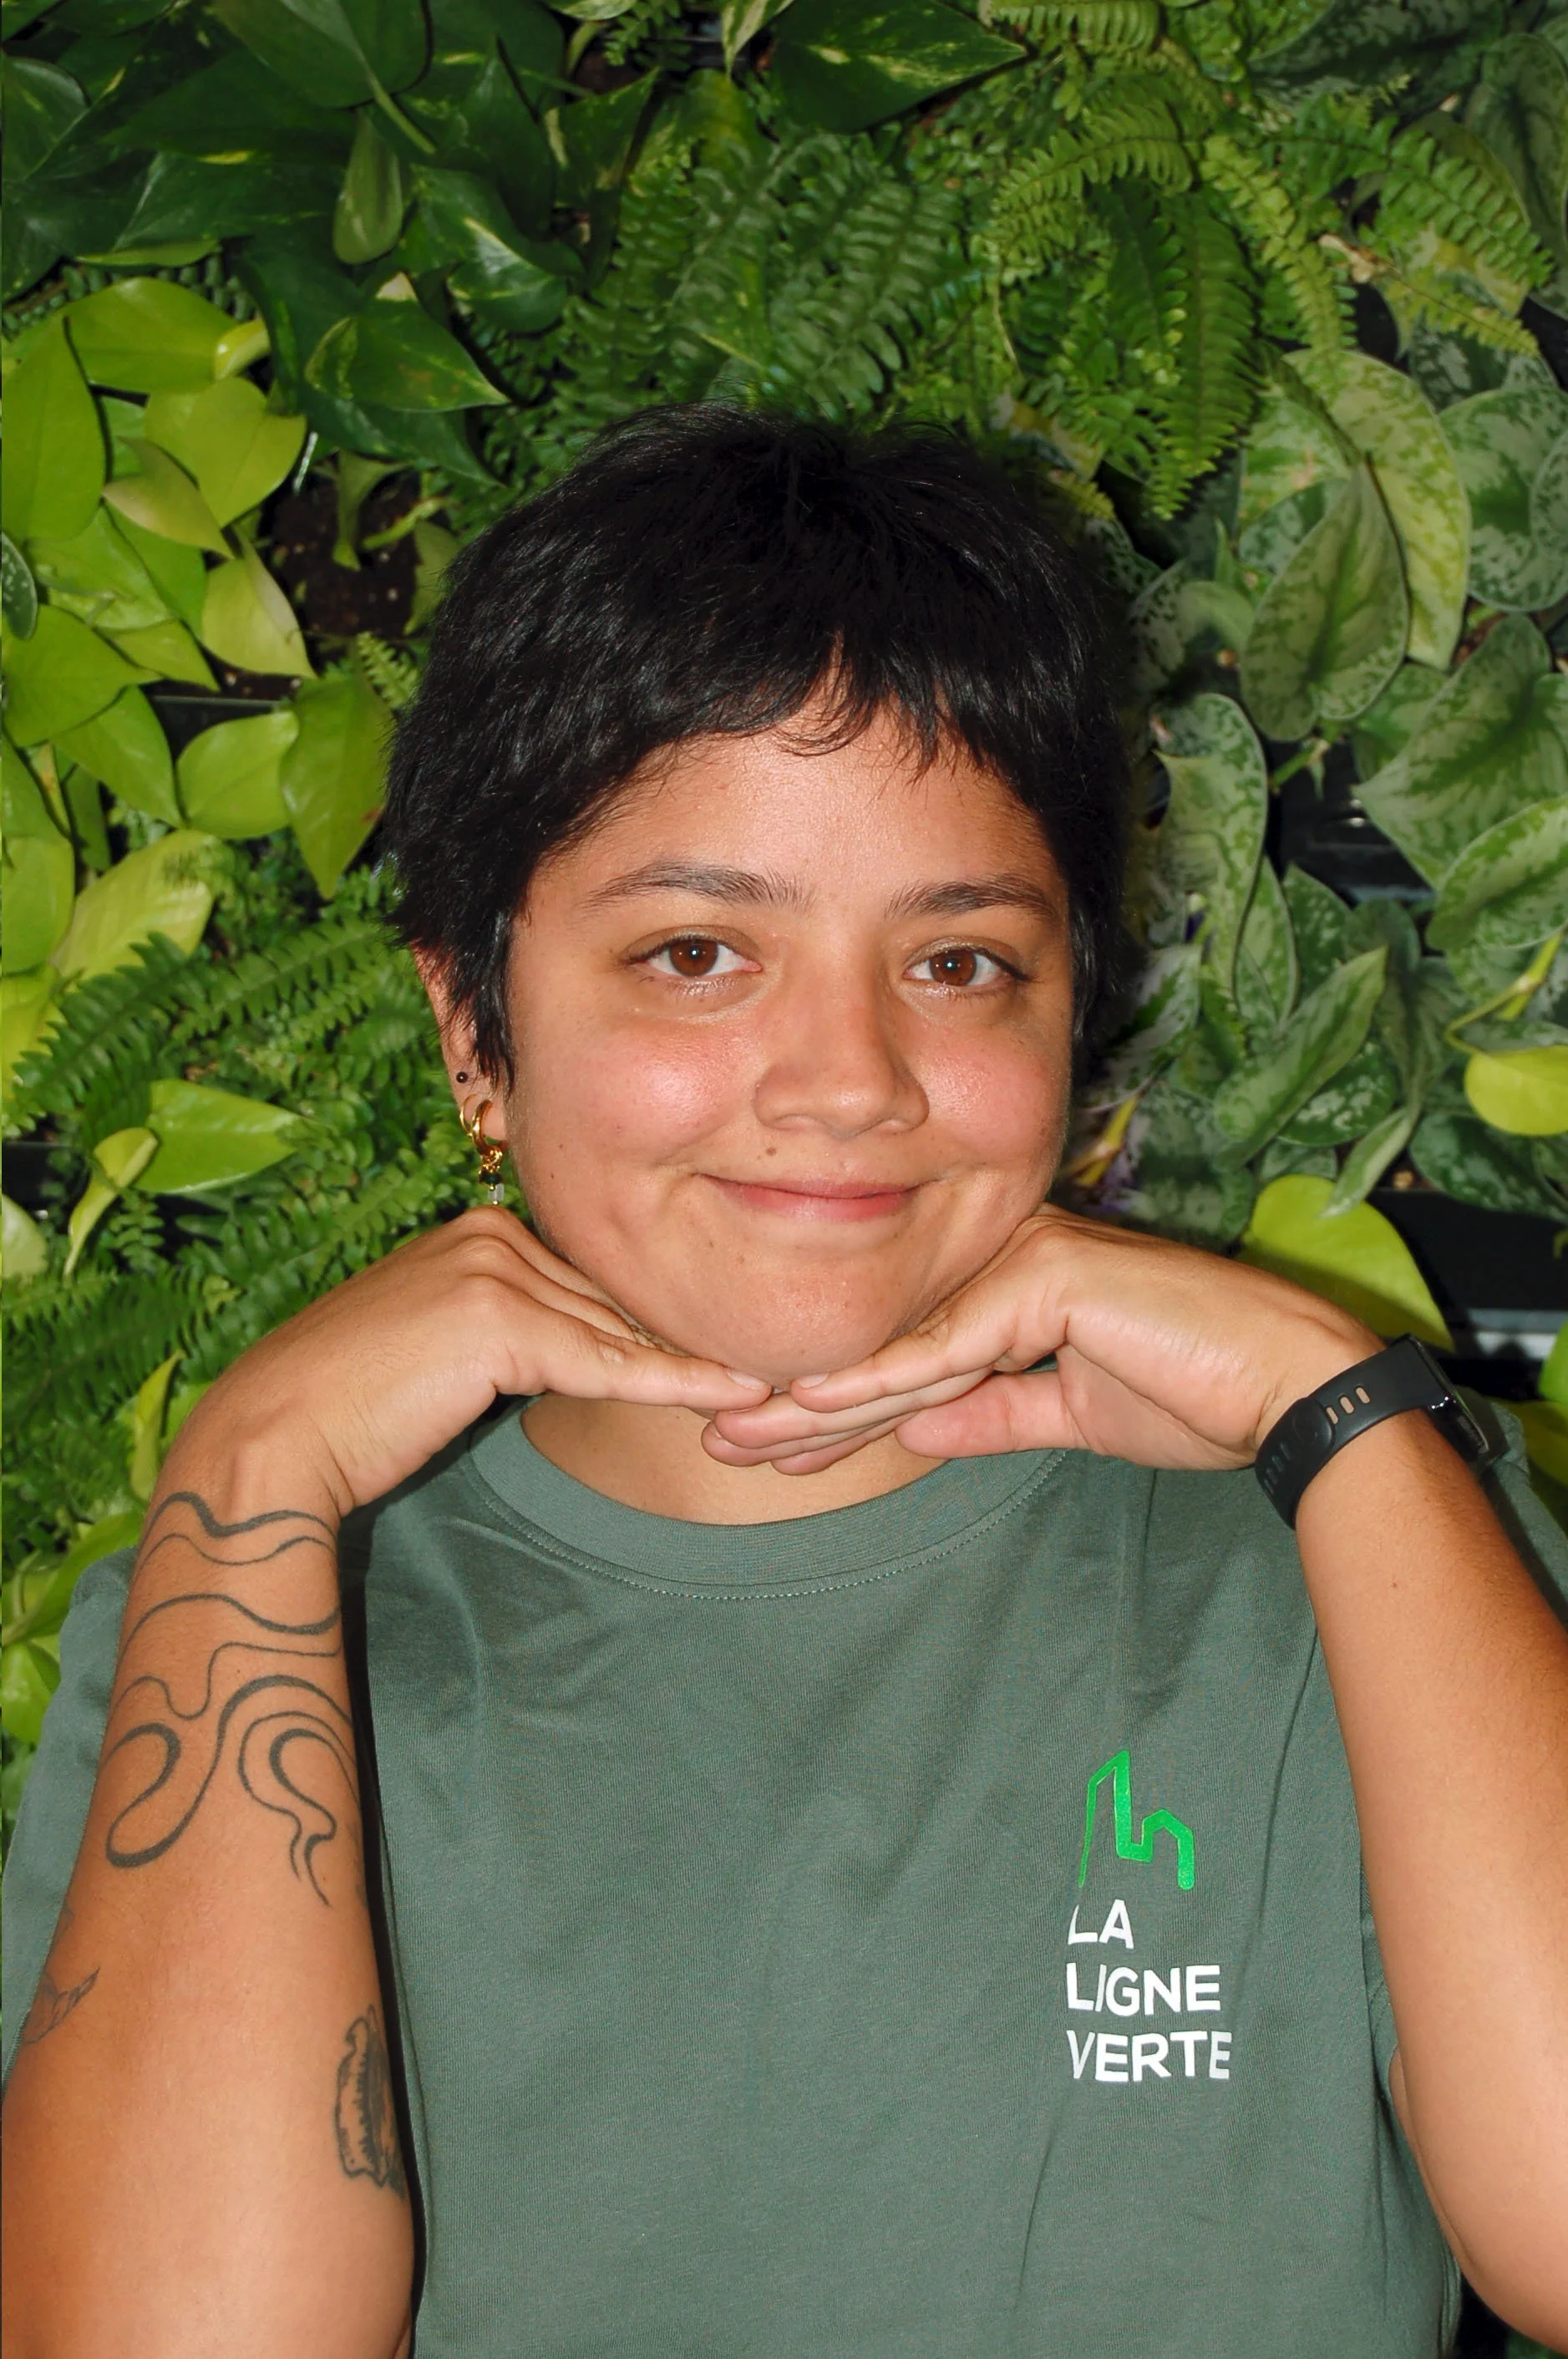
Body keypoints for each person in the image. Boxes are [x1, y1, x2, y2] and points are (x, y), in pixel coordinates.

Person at [3, 408, 1565, 2359]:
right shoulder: (258, 1619)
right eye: (694, 953)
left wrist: (1336, 1399)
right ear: (471, 1029)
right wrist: (246, 1456)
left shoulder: (1354, 1533)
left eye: (960, 962)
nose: (846, 1079)